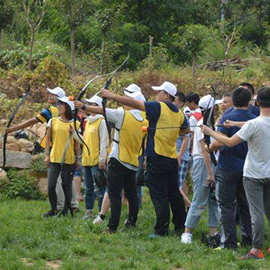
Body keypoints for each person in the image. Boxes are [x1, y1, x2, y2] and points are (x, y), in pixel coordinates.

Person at [100, 81, 188, 237]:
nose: (156, 94)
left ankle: (161, 230)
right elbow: (185, 130)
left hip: (158, 157)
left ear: (166, 95)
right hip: (172, 158)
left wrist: (111, 96)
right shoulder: (179, 113)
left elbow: (135, 103)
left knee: (159, 194)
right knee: (174, 194)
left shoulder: (159, 106)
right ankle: (180, 226)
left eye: (159, 92)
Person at [201, 86, 270, 260]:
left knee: (245, 211)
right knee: (260, 210)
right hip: (266, 173)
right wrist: (233, 124)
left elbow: (229, 142)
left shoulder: (253, 124)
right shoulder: (254, 121)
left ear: (258, 102)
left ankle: (249, 248)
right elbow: (252, 124)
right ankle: (251, 242)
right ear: (250, 102)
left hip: (249, 174)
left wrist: (210, 133)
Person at [75, 89, 147, 233]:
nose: (124, 100)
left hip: (118, 160)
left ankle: (112, 227)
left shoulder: (122, 115)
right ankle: (132, 221)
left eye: (127, 98)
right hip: (132, 162)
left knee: (114, 195)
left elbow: (102, 110)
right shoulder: (145, 120)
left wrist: (83, 107)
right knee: (132, 195)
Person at [6, 87, 80, 211]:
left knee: (60, 182)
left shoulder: (51, 111)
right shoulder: (66, 111)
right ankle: (72, 205)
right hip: (61, 148)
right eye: (50, 94)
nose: (50, 96)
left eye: (53, 95)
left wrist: (13, 129)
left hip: (63, 149)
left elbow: (32, 121)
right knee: (67, 181)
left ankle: (62, 207)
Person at [208, 87, 255, 249]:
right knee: (246, 205)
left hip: (227, 167)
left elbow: (220, 141)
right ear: (249, 102)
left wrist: (209, 146)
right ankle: (248, 238)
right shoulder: (254, 117)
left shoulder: (228, 117)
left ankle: (228, 242)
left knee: (227, 206)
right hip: (248, 168)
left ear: (233, 101)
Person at [180, 95, 220, 246]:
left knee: (213, 200)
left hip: (210, 164)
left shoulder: (210, 124)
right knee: (199, 199)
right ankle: (187, 232)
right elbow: (204, 150)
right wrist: (210, 173)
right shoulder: (203, 124)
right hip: (203, 163)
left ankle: (213, 233)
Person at [44, 96, 80, 217]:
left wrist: (78, 158)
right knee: (51, 186)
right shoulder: (52, 121)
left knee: (66, 186)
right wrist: (47, 155)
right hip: (54, 158)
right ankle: (53, 209)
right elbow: (48, 140)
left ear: (68, 107)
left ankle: (65, 210)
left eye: (61, 105)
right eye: (57, 104)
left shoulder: (75, 124)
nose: (58, 107)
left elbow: (77, 144)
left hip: (69, 160)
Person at [80, 95, 109, 220]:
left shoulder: (101, 121)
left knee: (100, 187)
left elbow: (104, 141)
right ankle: (89, 211)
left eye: (92, 104)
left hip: (96, 161)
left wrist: (102, 159)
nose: (89, 106)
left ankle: (100, 213)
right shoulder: (88, 121)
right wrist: (75, 134)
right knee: (88, 187)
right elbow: (85, 141)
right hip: (86, 159)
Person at [174, 92, 191, 208]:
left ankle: (191, 208)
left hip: (181, 157)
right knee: (179, 185)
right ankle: (186, 209)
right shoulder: (174, 115)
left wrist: (179, 156)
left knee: (176, 187)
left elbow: (186, 138)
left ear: (180, 103)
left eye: (174, 100)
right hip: (176, 155)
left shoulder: (182, 117)